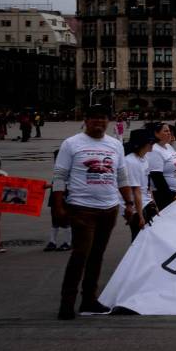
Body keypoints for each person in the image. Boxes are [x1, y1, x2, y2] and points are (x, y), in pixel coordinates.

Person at [52, 105, 135, 319]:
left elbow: (122, 176)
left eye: (103, 118)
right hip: (82, 208)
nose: (99, 121)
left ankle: (89, 299)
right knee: (80, 255)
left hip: (109, 208)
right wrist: (59, 207)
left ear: (108, 121)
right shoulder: (71, 143)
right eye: (94, 118)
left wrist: (128, 203)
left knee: (97, 255)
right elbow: (60, 176)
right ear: (86, 120)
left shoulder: (115, 144)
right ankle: (67, 303)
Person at [146, 121, 176, 209]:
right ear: (156, 134)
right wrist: (170, 196)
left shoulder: (168, 146)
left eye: (169, 131)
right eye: (165, 131)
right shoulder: (155, 150)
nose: (169, 133)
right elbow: (157, 177)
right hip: (165, 194)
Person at [122, 128, 156, 241]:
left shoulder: (144, 158)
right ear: (142, 144)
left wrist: (153, 202)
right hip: (137, 207)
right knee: (138, 239)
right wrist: (140, 216)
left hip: (145, 202)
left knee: (147, 238)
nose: (153, 144)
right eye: (150, 142)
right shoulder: (131, 162)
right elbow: (136, 190)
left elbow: (147, 184)